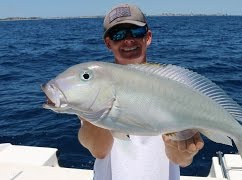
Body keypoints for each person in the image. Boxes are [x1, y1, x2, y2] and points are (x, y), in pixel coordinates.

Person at [78, 4, 204, 180]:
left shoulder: (173, 88)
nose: (128, 40)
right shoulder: (96, 87)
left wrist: (185, 150)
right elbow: (99, 150)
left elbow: (180, 160)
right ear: (108, 43)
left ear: (148, 37)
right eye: (119, 34)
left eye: (136, 32)